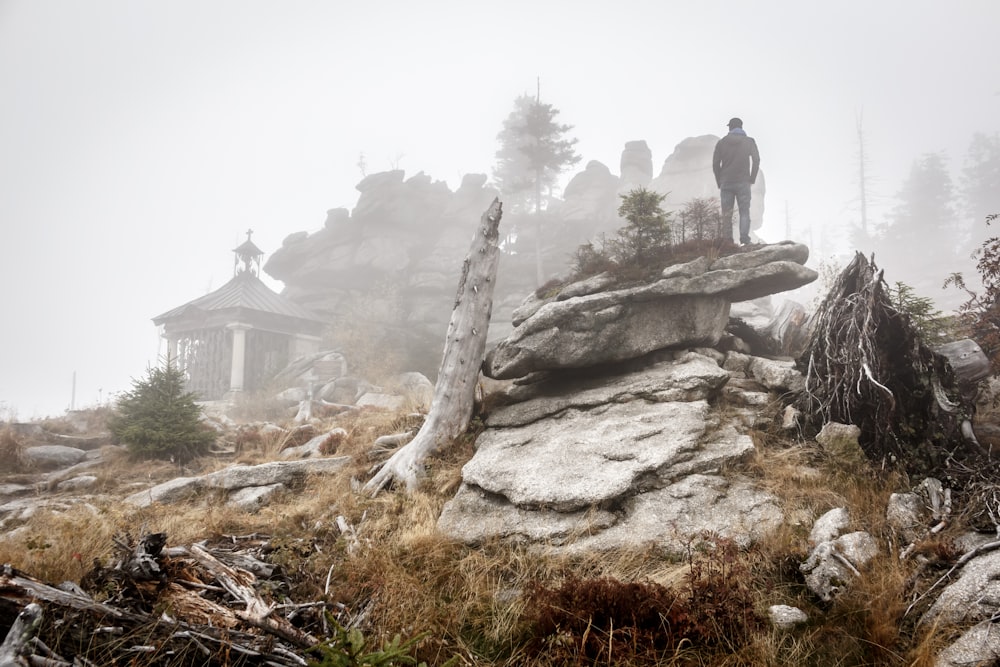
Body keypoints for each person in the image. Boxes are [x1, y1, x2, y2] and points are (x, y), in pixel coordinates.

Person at [712, 117, 760, 246]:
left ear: (730, 127)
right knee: (744, 211)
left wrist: (719, 181)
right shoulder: (749, 142)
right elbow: (756, 160)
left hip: (726, 182)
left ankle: (728, 241)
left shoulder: (721, 143)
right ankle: (744, 239)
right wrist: (752, 179)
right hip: (743, 182)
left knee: (727, 213)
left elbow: (715, 163)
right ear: (741, 127)